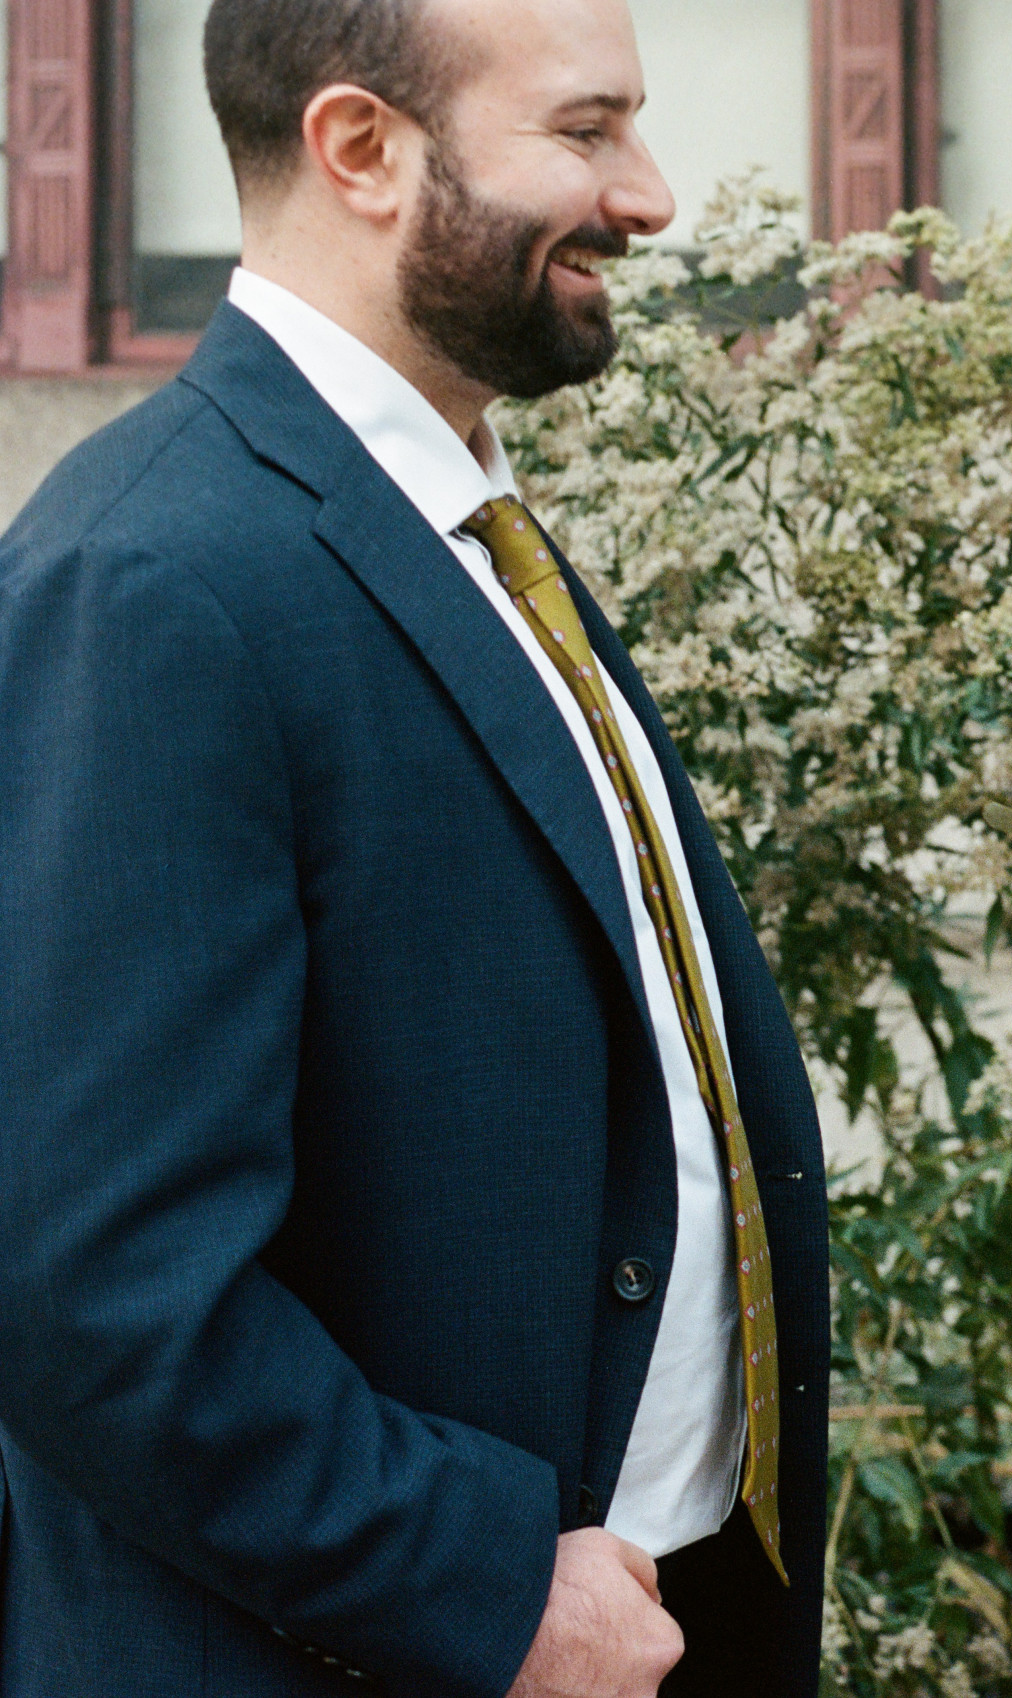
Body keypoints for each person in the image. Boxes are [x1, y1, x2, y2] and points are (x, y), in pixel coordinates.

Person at [0, 0, 831, 1692]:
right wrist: (485, 1588)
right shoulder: (150, 578)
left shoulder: (458, 520)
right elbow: (96, 1288)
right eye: (585, 131)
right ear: (362, 150)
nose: (650, 194)